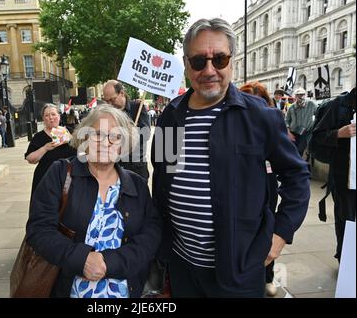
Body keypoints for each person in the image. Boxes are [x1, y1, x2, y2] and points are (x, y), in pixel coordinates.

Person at [151, 18, 310, 298]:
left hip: (239, 270)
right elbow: (165, 177)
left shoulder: (259, 116)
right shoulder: (171, 117)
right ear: (187, 65)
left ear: (232, 61)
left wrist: (280, 235)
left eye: (220, 59)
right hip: (181, 265)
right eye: (199, 61)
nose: (209, 70)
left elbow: (296, 176)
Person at [26, 105, 162, 298]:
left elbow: (151, 234)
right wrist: (82, 259)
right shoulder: (60, 173)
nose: (105, 143)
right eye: (97, 134)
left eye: (115, 136)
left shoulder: (137, 185)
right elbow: (39, 230)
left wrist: (110, 262)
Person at [239, 81, 280, 297]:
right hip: (241, 189)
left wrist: (282, 234)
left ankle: (268, 276)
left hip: (268, 183)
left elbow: (295, 171)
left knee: (267, 227)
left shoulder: (272, 123)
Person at [311, 87, 356, 262]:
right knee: (346, 221)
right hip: (345, 179)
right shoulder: (339, 105)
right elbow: (315, 140)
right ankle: (346, 262)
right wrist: (339, 133)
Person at [102, 80, 151, 180]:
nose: (110, 104)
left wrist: (129, 133)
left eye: (112, 100)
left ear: (121, 93)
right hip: (115, 165)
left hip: (136, 166)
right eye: (107, 101)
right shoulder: (108, 113)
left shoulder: (138, 107)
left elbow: (146, 134)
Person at [25, 104, 77, 194]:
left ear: (59, 116)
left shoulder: (70, 131)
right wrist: (45, 148)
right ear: (43, 119)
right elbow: (30, 159)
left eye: (53, 114)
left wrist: (72, 140)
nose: (51, 118)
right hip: (46, 179)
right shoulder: (39, 137)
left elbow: (82, 153)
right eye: (47, 115)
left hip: (69, 178)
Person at [285, 87, 317, 158]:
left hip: (305, 132)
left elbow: (319, 113)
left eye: (302, 94)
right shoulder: (292, 107)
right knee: (291, 150)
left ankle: (297, 166)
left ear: (305, 95)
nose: (300, 96)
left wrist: (314, 125)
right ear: (295, 96)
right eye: (298, 95)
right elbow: (286, 121)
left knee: (299, 151)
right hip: (293, 132)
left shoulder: (311, 104)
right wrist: (289, 133)